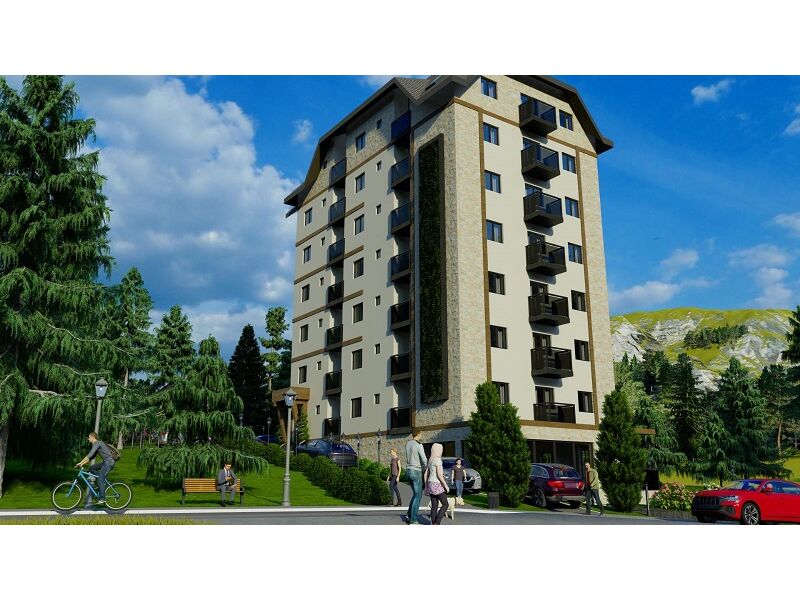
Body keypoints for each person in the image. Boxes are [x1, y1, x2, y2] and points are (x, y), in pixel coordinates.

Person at [75, 432, 115, 508]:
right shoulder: (96, 444)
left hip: (109, 462)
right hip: (105, 462)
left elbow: (90, 454)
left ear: (93, 437)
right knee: (91, 468)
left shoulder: (97, 443)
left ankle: (102, 499)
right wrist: (82, 464)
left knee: (100, 479)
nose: (88, 439)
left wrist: (80, 462)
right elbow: (92, 457)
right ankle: (100, 483)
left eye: (89, 437)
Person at [404, 431, 427, 525]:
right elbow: (424, 459)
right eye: (421, 434)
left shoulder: (408, 444)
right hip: (416, 470)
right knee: (418, 496)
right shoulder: (419, 445)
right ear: (418, 434)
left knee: (415, 495)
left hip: (408, 470)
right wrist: (425, 467)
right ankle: (413, 519)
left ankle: (409, 515)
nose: (421, 436)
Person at [424, 443, 450, 525]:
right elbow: (439, 475)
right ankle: (437, 522)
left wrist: (426, 487)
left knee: (434, 505)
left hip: (430, 484)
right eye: (441, 450)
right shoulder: (438, 460)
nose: (441, 451)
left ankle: (433, 523)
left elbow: (425, 474)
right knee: (445, 504)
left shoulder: (430, 460)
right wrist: (445, 485)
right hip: (437, 484)